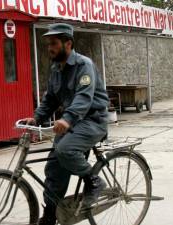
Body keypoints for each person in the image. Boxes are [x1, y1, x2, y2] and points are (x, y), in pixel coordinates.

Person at [23, 23, 110, 224]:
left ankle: (94, 182)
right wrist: (36, 118)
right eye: (48, 44)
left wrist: (67, 118)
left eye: (54, 43)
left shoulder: (83, 65)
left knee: (64, 150)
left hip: (92, 121)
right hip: (72, 124)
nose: (49, 48)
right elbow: (50, 99)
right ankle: (51, 214)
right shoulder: (56, 69)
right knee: (53, 168)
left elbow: (83, 97)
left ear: (68, 43)